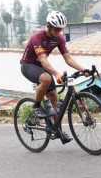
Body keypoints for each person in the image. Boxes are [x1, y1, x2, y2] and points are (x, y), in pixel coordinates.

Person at [20, 10, 87, 143]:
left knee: (54, 98)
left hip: (41, 66)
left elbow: (68, 59)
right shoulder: (37, 37)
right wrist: (56, 74)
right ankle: (36, 106)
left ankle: (58, 130)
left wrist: (84, 70)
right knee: (47, 78)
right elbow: (43, 61)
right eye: (56, 29)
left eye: (61, 29)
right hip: (28, 65)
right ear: (48, 26)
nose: (58, 32)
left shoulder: (59, 38)